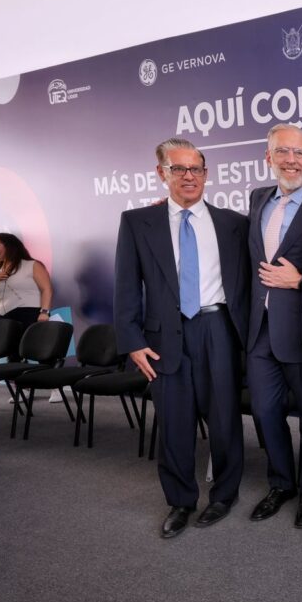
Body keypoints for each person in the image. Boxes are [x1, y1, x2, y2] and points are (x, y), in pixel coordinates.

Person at [114, 138, 250, 539]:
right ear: (162, 173)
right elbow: (126, 286)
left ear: (206, 174)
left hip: (218, 329)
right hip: (163, 338)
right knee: (174, 423)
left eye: (196, 169)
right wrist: (132, 340)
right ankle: (180, 501)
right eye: (179, 169)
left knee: (224, 420)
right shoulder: (138, 222)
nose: (189, 176)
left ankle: (224, 495)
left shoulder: (234, 224)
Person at [245, 124, 302, 528]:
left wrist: (300, 281)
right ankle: (281, 484)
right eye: (282, 152)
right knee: (264, 413)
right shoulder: (257, 199)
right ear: (269, 157)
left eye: (299, 153)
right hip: (259, 330)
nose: (291, 160)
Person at [0, 233, 53, 326]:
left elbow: (47, 289)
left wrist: (44, 312)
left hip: (29, 314)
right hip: (1, 317)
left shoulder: (32, 265)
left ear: (8, 245)